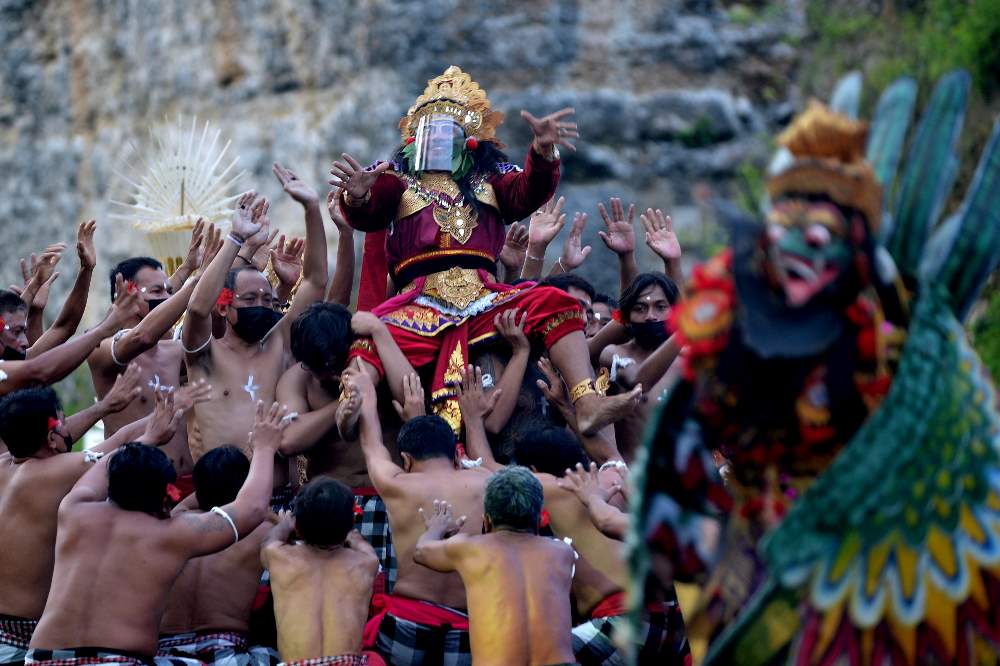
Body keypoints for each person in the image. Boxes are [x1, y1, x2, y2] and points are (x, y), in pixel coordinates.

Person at [330, 65, 639, 436]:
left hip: (485, 299)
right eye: (431, 132)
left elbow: (527, 191)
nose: (439, 141)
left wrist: (542, 151)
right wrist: (358, 195)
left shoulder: (490, 179)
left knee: (558, 303)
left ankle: (586, 401)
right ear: (414, 139)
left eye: (449, 134)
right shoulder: (396, 180)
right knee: (367, 336)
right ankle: (353, 405)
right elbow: (369, 210)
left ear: (470, 141)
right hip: (418, 302)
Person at [27, 400, 290, 664]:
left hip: (42, 659)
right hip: (118, 661)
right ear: (163, 498)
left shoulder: (74, 510)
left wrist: (149, 438)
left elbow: (104, 467)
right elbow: (251, 508)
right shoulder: (170, 534)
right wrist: (264, 448)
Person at [459, 369, 688, 664]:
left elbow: (485, 466)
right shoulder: (615, 474)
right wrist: (567, 408)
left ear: (532, 470)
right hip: (670, 622)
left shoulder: (553, 488)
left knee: (534, 656)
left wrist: (473, 419)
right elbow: (608, 453)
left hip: (622, 622)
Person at [0, 386, 184, 663]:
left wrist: (158, 412)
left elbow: (116, 440)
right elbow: (117, 452)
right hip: (20, 638)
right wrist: (152, 436)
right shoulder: (60, 470)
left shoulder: (5, 465)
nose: (68, 430)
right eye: (64, 423)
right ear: (51, 437)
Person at [183, 165, 328, 510]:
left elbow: (316, 282)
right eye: (249, 299)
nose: (261, 306)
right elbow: (197, 309)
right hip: (220, 501)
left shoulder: (278, 343)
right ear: (225, 306)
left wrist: (312, 209)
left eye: (267, 299)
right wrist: (235, 239)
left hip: (277, 499)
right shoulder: (204, 355)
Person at [343, 368, 489, 666]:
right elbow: (488, 461)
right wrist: (473, 421)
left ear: (406, 460)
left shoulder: (397, 484)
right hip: (468, 622)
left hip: (407, 621)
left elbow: (372, 446)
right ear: (457, 457)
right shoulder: (486, 482)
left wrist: (367, 393)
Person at [276, 303, 413, 588]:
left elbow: (412, 400)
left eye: (332, 364)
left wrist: (379, 333)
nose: (327, 375)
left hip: (388, 498)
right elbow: (288, 440)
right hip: (330, 506)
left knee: (388, 595)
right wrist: (347, 400)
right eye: (317, 368)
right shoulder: (297, 379)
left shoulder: (374, 357)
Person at [88, 223, 222, 492]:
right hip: (135, 483)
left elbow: (218, 339)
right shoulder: (101, 348)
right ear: (126, 294)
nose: (166, 298)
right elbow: (144, 336)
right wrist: (197, 280)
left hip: (187, 481)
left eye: (169, 292)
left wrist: (234, 257)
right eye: (157, 292)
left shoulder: (175, 350)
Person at [413, 467, 577, 666]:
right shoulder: (562, 554)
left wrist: (436, 529)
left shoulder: (469, 549)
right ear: (538, 520)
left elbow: (421, 551)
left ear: (487, 520)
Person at [158, 446, 280, 666]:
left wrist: (206, 486)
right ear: (244, 488)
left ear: (197, 489)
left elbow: (183, 505)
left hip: (165, 654)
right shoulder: (262, 530)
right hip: (227, 653)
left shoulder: (171, 525)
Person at [262, 478, 381, 666]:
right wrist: (352, 535)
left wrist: (284, 524)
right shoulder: (366, 563)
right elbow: (360, 544)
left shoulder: (278, 557)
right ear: (350, 524)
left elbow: (271, 540)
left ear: (298, 527)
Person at [0, 274, 141, 397]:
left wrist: (86, 269)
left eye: (23, 332)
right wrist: (102, 331)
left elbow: (65, 327)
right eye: (16, 332)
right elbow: (40, 371)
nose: (25, 342)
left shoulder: (14, 359)